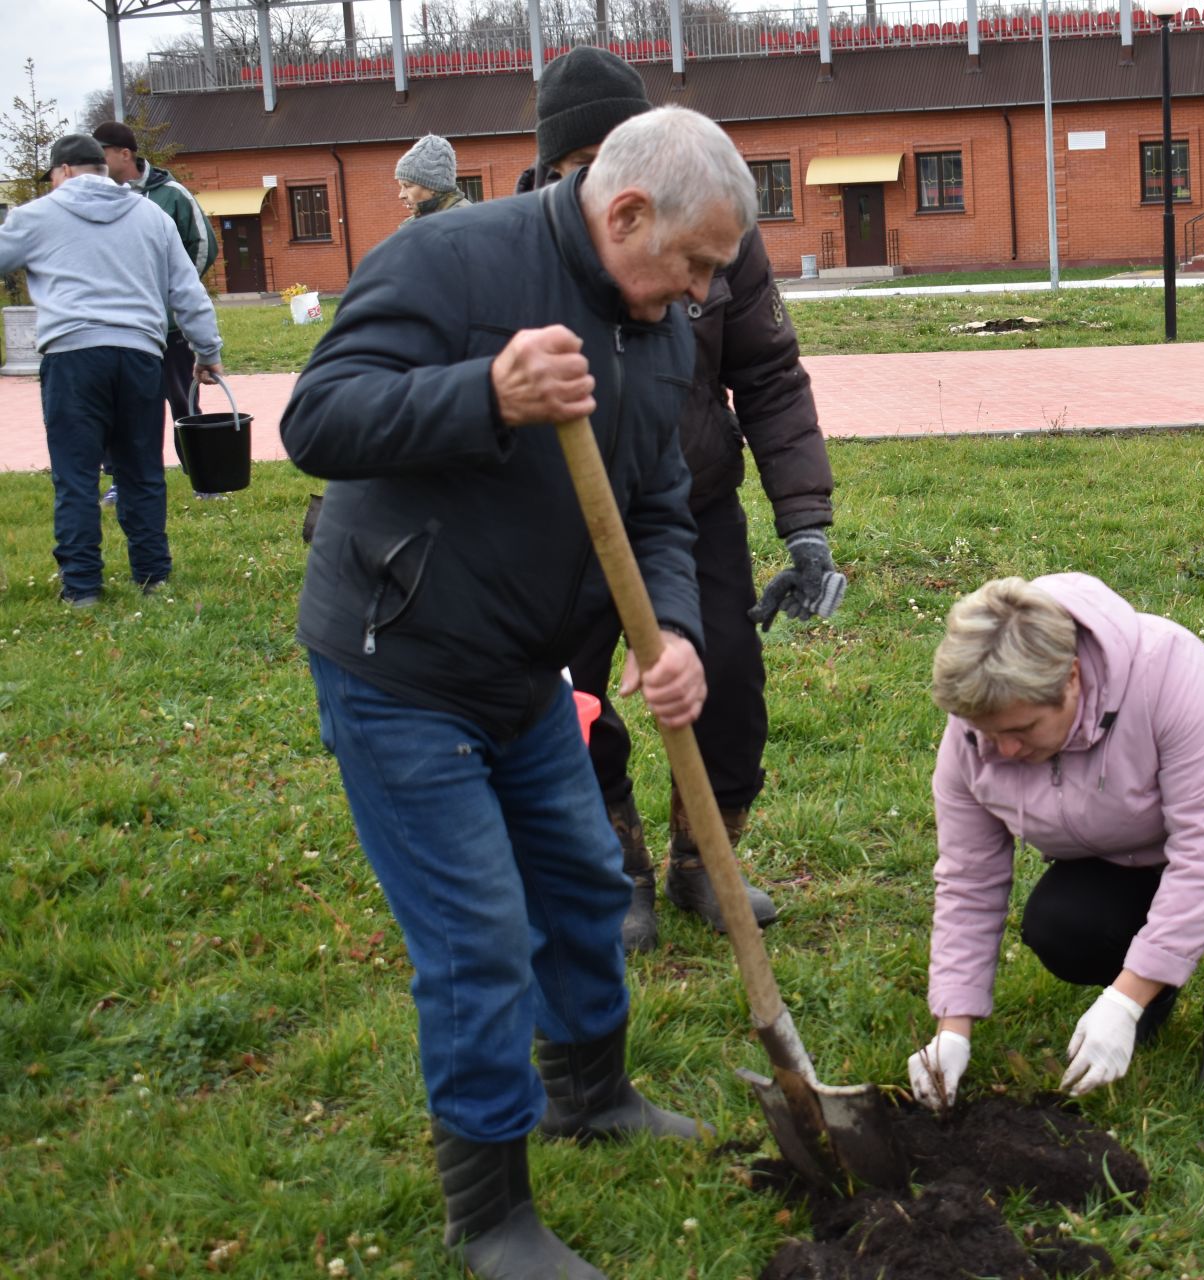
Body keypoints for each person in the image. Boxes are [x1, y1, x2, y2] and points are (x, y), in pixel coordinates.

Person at [281, 107, 756, 1280]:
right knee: (479, 933)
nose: (700, 294)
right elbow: (317, 419)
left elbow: (656, 502)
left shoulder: (660, 333)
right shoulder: (453, 260)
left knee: (586, 883)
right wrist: (481, 392)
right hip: (401, 660)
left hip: (526, 671)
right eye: (694, 264)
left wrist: (676, 630)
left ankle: (588, 1092)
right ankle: (489, 1209)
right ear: (627, 211)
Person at [521, 45, 842, 954]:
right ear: (555, 171)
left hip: (693, 504)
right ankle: (617, 864)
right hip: (568, 521)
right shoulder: (519, 244)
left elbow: (772, 379)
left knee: (729, 682)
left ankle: (708, 859)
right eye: (578, 172)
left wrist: (807, 529)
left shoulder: (711, 228)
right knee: (573, 701)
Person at [907, 574, 1204, 1102]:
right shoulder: (977, 735)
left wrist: (1123, 1000)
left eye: (1022, 731)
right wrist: (953, 1028)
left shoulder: (1167, 667)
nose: (1005, 750)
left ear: (1071, 679)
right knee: (1062, 926)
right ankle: (1154, 985)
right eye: (988, 733)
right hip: (1124, 853)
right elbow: (969, 878)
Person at [0, 133, 222, 607]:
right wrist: (207, 351)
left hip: (72, 357)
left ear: (60, 173)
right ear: (102, 169)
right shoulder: (150, 215)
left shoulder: (36, 215)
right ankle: (152, 576)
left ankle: (82, 587)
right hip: (141, 354)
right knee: (141, 468)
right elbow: (187, 290)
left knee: (76, 473)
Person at [91, 120, 221, 503]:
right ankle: (120, 480)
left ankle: (202, 478)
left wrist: (172, 293)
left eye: (101, 153)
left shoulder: (171, 195)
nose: (95, 162)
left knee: (183, 401)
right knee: (121, 408)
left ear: (124, 154)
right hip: (120, 329)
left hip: (169, 330)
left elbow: (203, 246)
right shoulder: (96, 198)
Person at [394, 134, 470, 222]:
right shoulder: (414, 224)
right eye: (401, 187)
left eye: (408, 186)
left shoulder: (463, 222)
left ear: (433, 187)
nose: (401, 195)